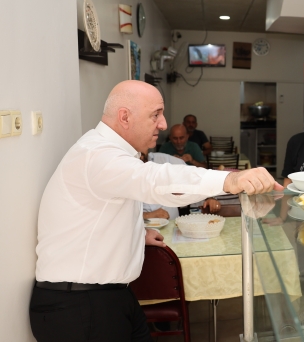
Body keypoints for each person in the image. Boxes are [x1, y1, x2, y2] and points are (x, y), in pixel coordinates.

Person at [30, 80, 282, 342]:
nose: (162, 124)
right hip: (80, 304)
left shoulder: (106, 152)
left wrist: (136, 234)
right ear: (124, 117)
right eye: (155, 115)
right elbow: (156, 181)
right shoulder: (98, 155)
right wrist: (229, 181)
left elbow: (102, 212)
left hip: (108, 297)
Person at [140, 151, 221, 221]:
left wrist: (210, 198)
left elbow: (193, 179)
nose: (141, 155)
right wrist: (148, 215)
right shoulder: (128, 171)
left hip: (172, 226)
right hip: (139, 231)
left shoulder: (165, 160)